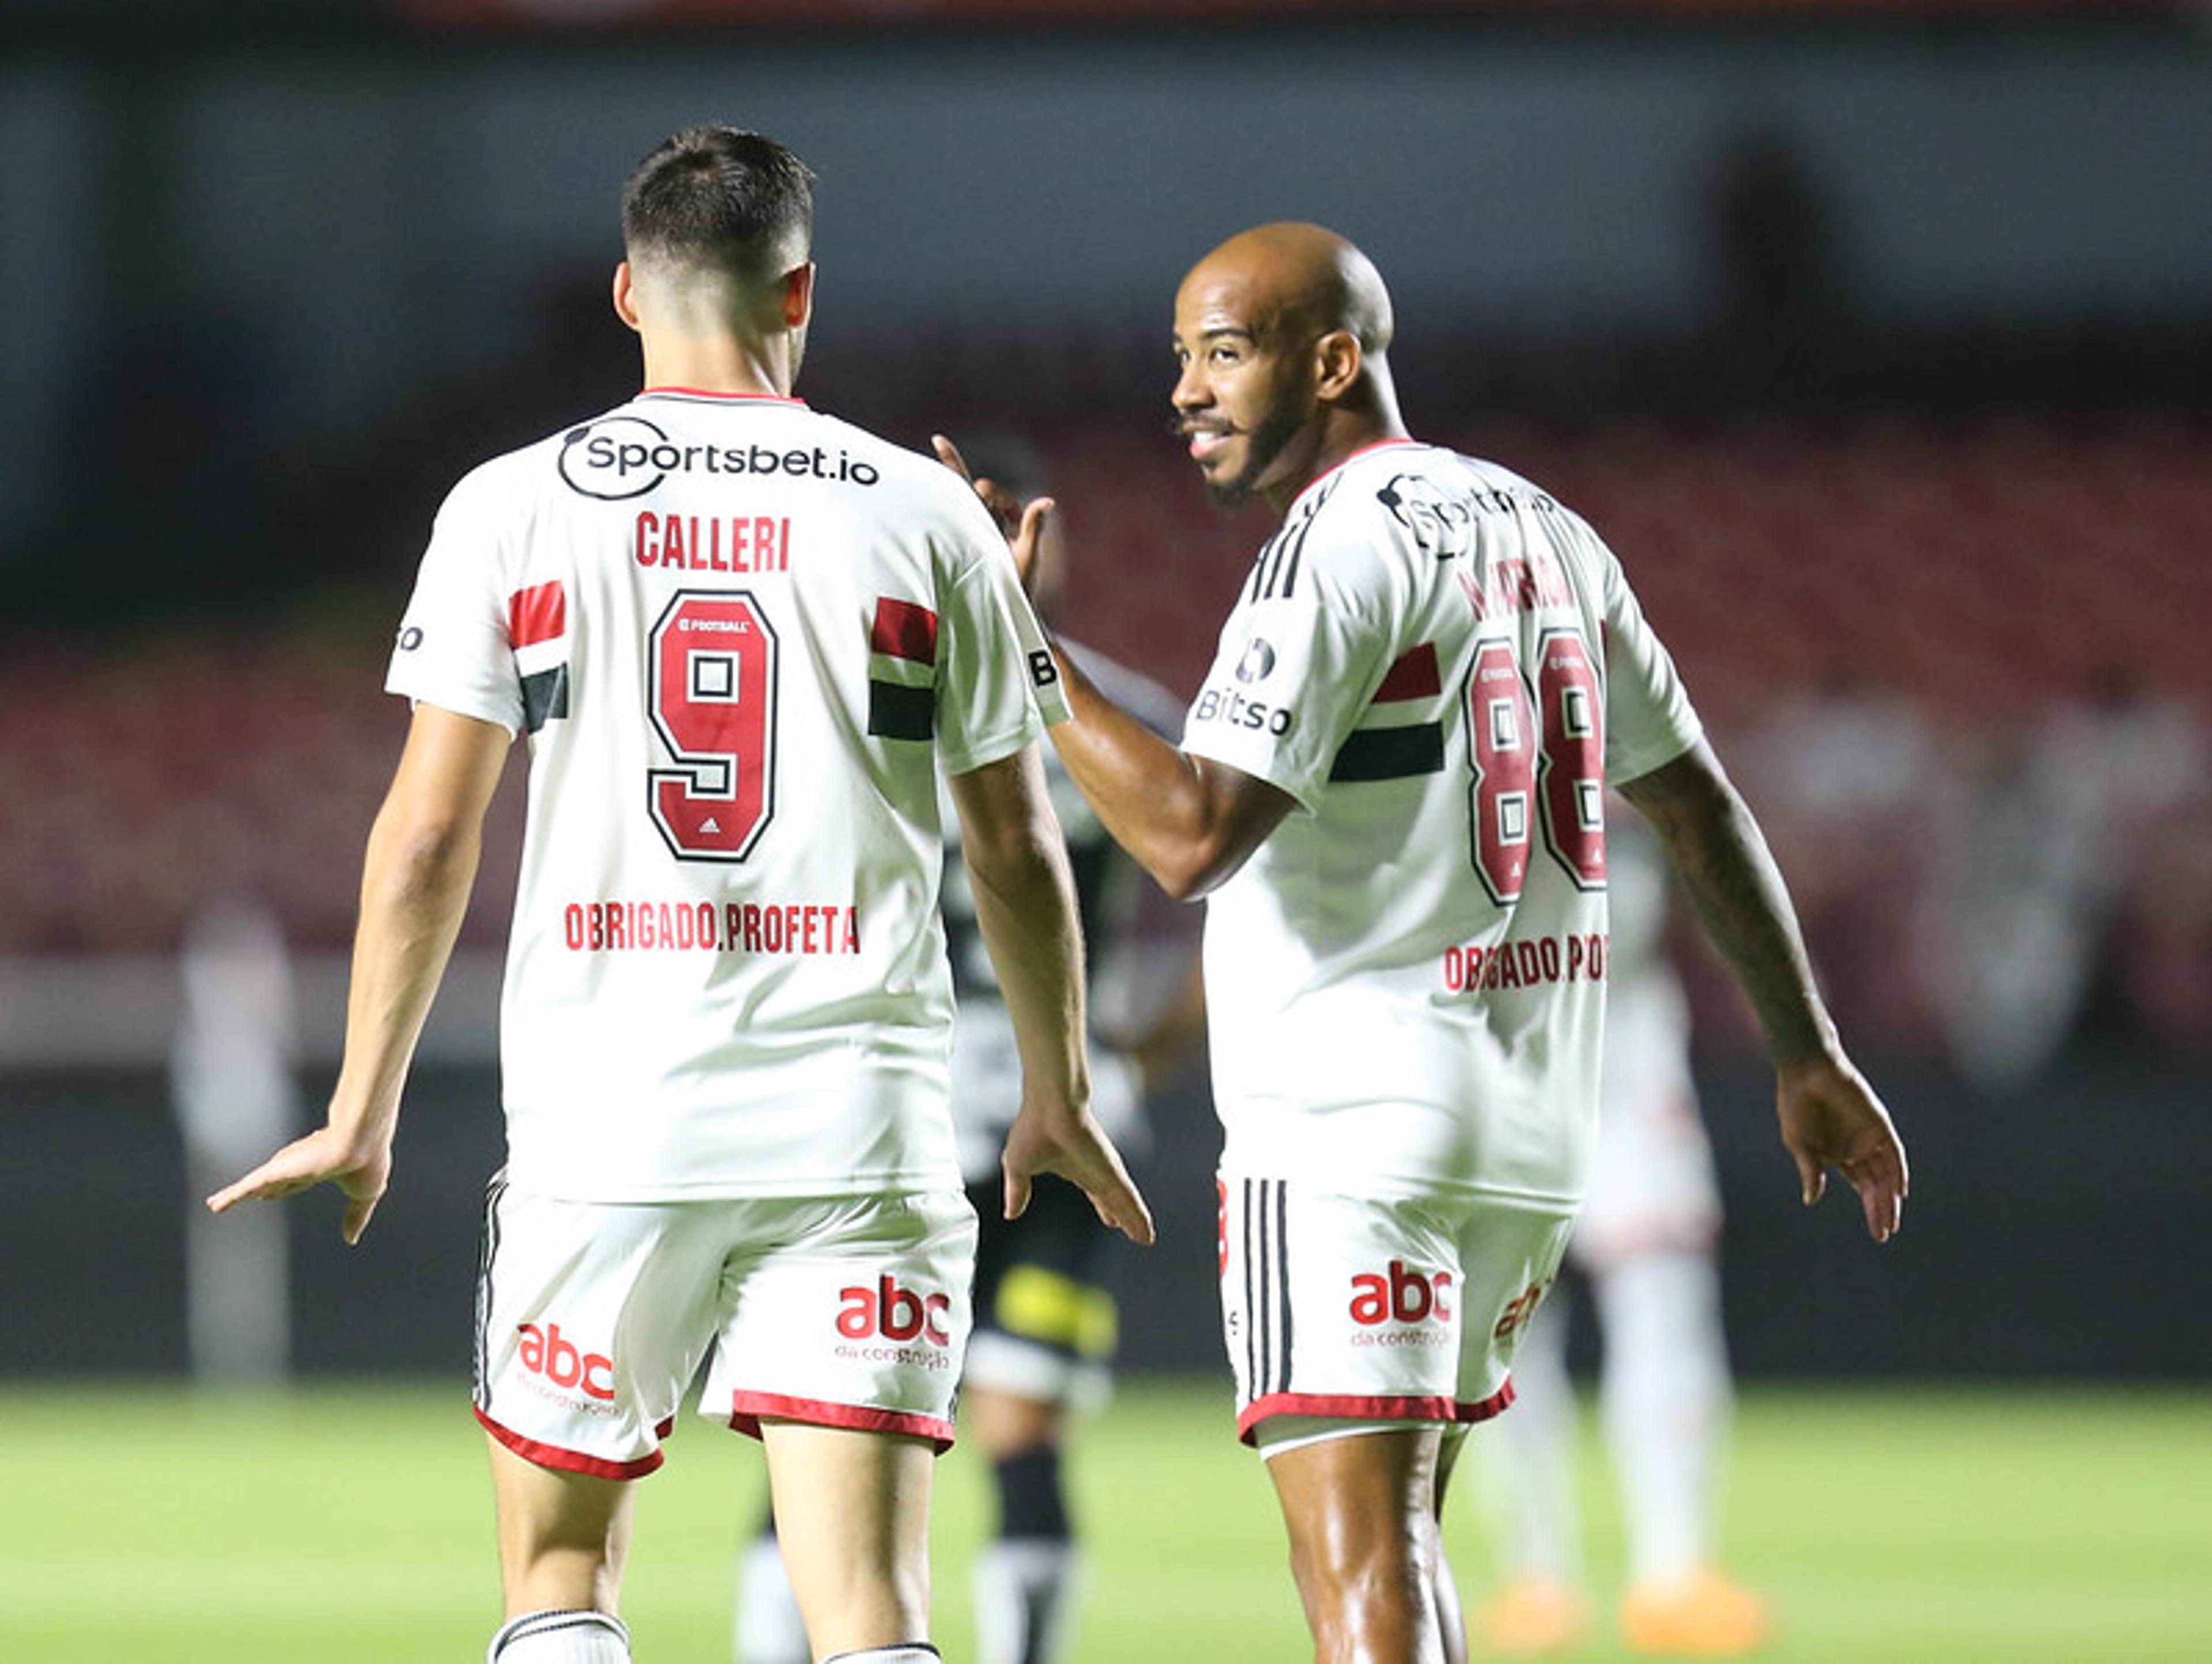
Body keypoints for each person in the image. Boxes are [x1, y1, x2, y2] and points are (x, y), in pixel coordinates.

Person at [207, 126, 1152, 1664]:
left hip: (608, 1124)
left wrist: (361, 1101)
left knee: (562, 1579)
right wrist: (1054, 1083)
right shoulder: (924, 515)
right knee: (872, 1611)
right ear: (803, 295)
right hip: (861, 1119)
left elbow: (430, 836)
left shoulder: (512, 505)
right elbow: (1015, 845)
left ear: (629, 296)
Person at [953, 221, 1908, 1664]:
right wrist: (1806, 1046)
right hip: (1523, 1136)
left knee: (1356, 1573)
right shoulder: (1548, 528)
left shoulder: (1330, 549)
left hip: (1351, 1134)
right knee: (1406, 1546)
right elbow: (1697, 802)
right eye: (1180, 360)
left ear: (1332, 358)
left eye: (1223, 352)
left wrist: (1015, 638)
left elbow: (1190, 833)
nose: (1186, 395)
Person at [737, 441, 1206, 1664]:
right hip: (1025, 1117)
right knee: (1006, 1429)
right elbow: (1236, 898)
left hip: (886, 1116)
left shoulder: (835, 703)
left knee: (827, 1425)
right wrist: (1132, 1056)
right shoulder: (1125, 722)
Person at [1473, 816, 1770, 1658]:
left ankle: (1674, 1574)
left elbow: (1694, 827)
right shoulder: (1464, 709)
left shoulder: (1613, 705)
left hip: (1623, 1056)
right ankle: (1537, 1576)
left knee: (1667, 1311)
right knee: (1505, 1332)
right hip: (1499, 1057)